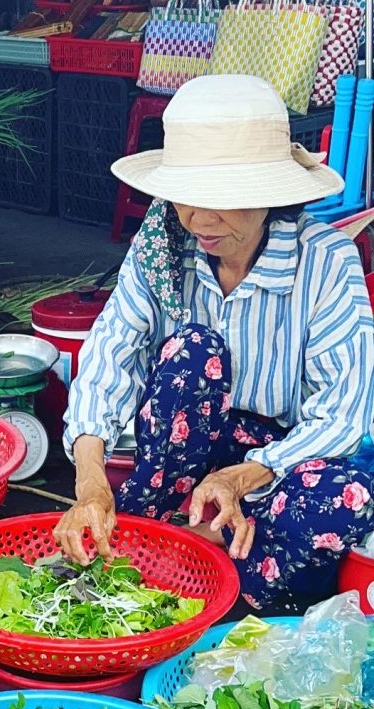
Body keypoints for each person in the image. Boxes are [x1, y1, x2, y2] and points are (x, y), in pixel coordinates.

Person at [57, 75, 374, 611]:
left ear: (269, 196)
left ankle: (221, 573)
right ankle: (169, 534)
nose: (199, 219)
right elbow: (112, 353)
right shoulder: (163, 246)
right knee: (193, 352)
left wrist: (241, 478)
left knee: (346, 495)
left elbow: (344, 416)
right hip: (186, 452)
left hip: (283, 461)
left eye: (223, 200)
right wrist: (91, 482)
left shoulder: (324, 262)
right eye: (187, 197)